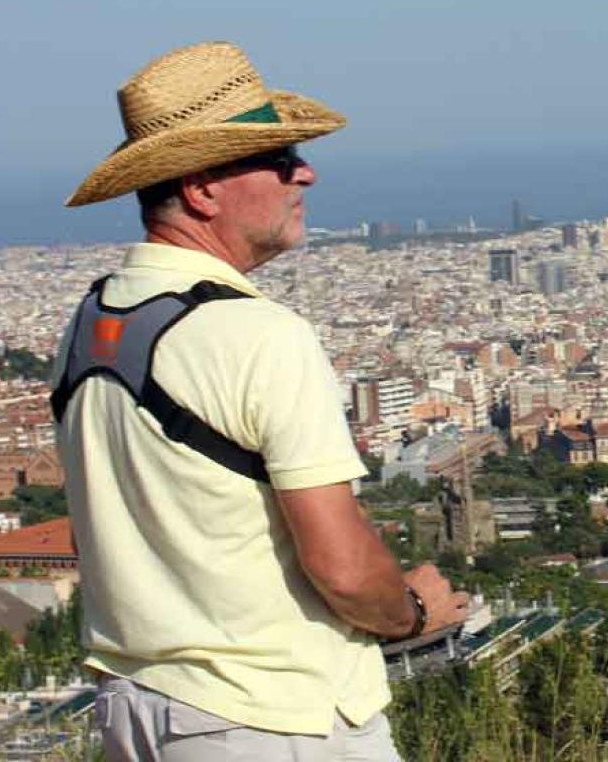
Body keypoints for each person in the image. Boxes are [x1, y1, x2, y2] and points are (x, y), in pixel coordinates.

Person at [53, 42, 469, 760]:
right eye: (278, 159)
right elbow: (342, 567)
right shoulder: (257, 336)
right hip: (272, 721)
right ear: (203, 188)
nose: (304, 172)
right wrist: (410, 612)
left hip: (140, 713)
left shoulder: (90, 324)